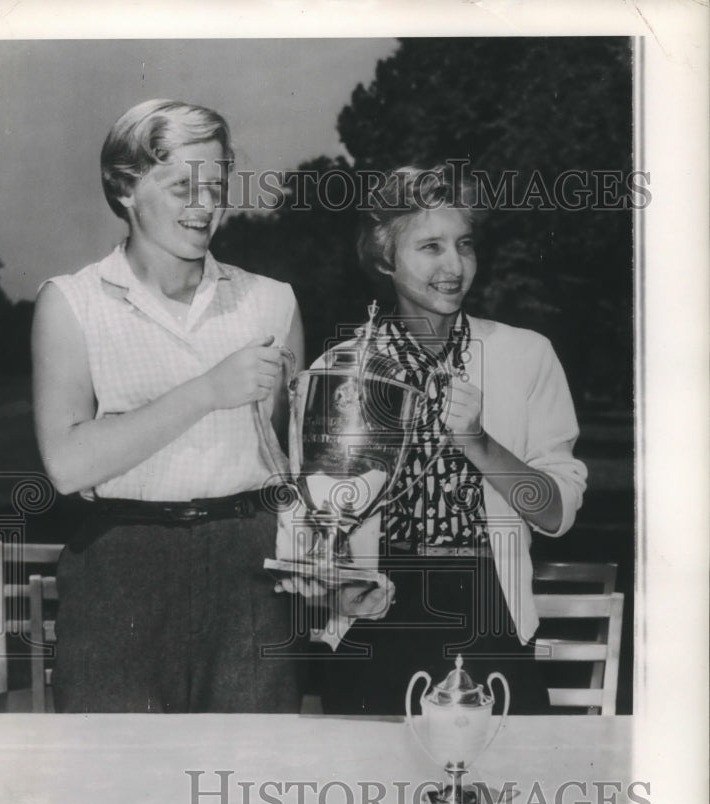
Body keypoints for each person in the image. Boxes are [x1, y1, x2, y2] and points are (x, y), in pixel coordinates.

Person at [32, 99, 305, 713]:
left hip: (252, 568)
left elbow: (291, 469)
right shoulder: (71, 303)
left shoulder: (273, 303)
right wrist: (208, 390)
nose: (205, 206)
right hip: (120, 567)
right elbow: (69, 465)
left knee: (249, 787)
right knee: (117, 789)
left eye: (216, 185)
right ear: (125, 188)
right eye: (183, 186)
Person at [303, 164, 587, 715]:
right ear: (386, 259)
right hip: (377, 617)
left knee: (506, 791)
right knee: (375, 796)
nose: (454, 266)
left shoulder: (526, 355)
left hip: (490, 609)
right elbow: (312, 528)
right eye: (430, 247)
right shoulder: (339, 371)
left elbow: (556, 513)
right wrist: (337, 584)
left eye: (464, 245)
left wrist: (480, 444)